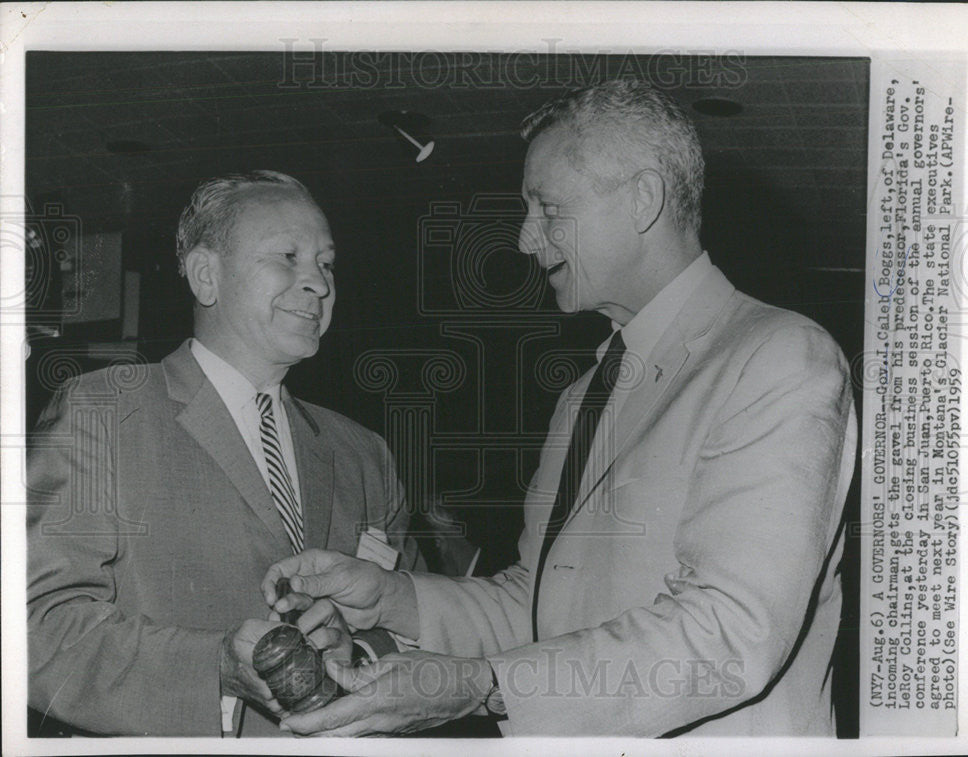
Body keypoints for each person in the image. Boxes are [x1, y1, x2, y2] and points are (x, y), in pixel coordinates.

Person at [263, 79, 858, 737]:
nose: (524, 239)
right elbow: (538, 605)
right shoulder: (583, 395)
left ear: (643, 200)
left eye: (547, 207)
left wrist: (484, 686)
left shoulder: (776, 356)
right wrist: (394, 598)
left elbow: (728, 631)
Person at [26, 170, 420, 736]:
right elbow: (32, 626)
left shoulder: (365, 454)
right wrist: (214, 669)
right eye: (288, 256)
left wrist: (356, 648)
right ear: (206, 276)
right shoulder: (104, 414)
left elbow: (411, 622)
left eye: (326, 263)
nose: (319, 283)